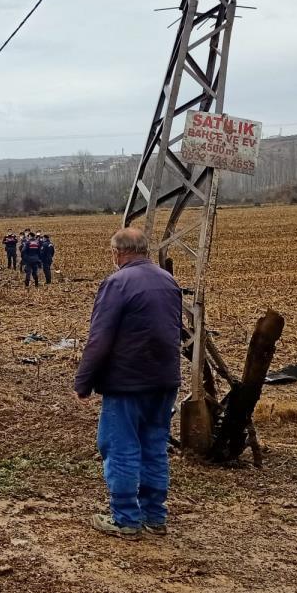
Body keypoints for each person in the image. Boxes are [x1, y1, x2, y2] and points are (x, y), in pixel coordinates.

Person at [73, 227, 182, 540]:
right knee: (155, 446)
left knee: (121, 448)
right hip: (164, 381)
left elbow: (99, 339)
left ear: (117, 253)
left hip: (127, 383)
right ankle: (155, 516)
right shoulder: (168, 280)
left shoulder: (117, 283)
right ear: (145, 250)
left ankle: (125, 519)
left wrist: (83, 382)